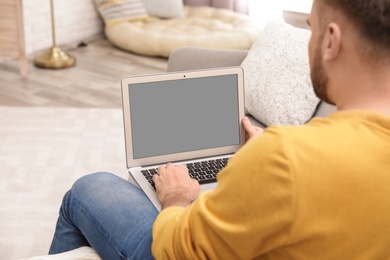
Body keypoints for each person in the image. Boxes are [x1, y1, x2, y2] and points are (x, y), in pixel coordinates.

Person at [49, 0, 390, 259]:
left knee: (89, 189)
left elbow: (177, 249)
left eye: (311, 30)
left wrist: (176, 197)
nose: (309, 43)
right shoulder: (292, 155)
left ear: (331, 41)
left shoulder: (285, 156)